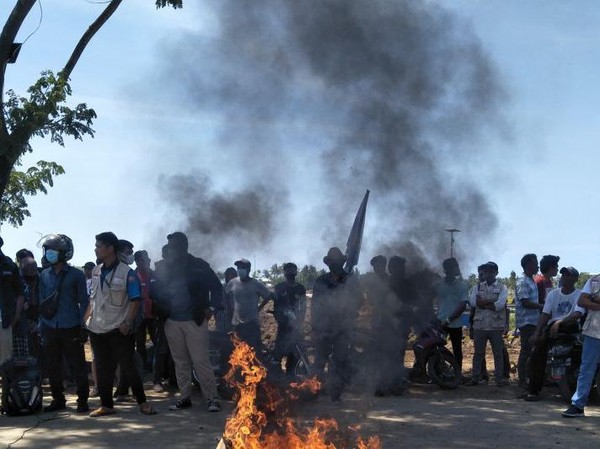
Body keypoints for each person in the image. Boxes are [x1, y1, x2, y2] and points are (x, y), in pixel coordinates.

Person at [85, 232, 156, 417]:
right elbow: (93, 299)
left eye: (99, 245)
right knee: (103, 368)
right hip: (97, 328)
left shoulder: (128, 273)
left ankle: (143, 403)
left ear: (110, 249)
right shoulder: (96, 271)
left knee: (128, 367)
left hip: (118, 329)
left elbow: (135, 300)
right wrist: (85, 321)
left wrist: (127, 323)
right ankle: (106, 405)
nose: (95, 248)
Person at [153, 232, 222, 412]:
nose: (170, 249)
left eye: (173, 246)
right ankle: (184, 398)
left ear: (183, 246)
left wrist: (212, 309)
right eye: (169, 246)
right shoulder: (164, 268)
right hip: (172, 322)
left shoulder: (199, 266)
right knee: (180, 362)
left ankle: (212, 399)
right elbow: (153, 292)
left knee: (201, 361)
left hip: (195, 321)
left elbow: (217, 288)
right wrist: (162, 311)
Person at [38, 234, 90, 413]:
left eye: (51, 251)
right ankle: (57, 399)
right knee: (53, 365)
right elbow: (41, 302)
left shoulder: (76, 275)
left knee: (78, 365)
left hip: (71, 325)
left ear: (63, 253)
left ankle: (83, 400)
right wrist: (41, 325)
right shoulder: (44, 275)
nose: (48, 254)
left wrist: (84, 325)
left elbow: (84, 301)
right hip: (50, 326)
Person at [524, 267, 583, 401]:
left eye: (568, 275)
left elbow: (577, 314)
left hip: (571, 327)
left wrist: (559, 322)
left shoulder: (579, 294)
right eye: (563, 274)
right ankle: (533, 390)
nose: (564, 277)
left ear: (575, 279)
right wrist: (537, 333)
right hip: (552, 328)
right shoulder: (553, 294)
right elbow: (545, 314)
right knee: (536, 355)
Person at [311, 247, 361, 402]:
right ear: (328, 264)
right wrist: (315, 326)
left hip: (343, 329)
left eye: (337, 262)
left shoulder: (351, 281)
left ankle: (335, 394)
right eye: (331, 262)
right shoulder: (320, 281)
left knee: (340, 362)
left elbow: (358, 301)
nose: (334, 264)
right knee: (320, 362)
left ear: (341, 262)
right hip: (323, 328)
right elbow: (315, 305)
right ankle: (314, 392)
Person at [562, 272, 600, 417]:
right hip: (593, 332)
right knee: (586, 370)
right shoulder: (594, 280)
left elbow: (587, 299)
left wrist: (594, 299)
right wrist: (593, 300)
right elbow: (582, 301)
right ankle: (577, 405)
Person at [466, 261, 508, 386]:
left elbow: (500, 305)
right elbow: (473, 303)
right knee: (478, 354)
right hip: (480, 326)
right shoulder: (477, 287)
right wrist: (491, 302)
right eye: (486, 271)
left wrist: (482, 302)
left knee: (498, 354)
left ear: (496, 272)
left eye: (491, 271)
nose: (488, 274)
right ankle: (475, 378)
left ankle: (499, 379)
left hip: (495, 326)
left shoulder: (502, 287)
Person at [225, 258, 275, 351]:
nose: (240, 269)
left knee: (254, 351)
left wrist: (259, 308)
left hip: (251, 323)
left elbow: (268, 296)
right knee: (237, 351)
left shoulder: (256, 283)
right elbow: (226, 296)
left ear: (248, 269)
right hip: (236, 324)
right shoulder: (232, 283)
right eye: (238, 267)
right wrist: (230, 309)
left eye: (242, 267)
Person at [435, 257, 468, 376]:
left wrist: (449, 319)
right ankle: (438, 372)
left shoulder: (462, 285)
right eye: (454, 267)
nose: (457, 269)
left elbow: (463, 305)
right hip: (440, 321)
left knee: (457, 349)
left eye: (456, 266)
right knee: (437, 349)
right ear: (447, 269)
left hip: (455, 323)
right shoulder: (439, 285)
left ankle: (457, 374)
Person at [273, 262, 307, 373]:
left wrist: (299, 322)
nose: (290, 273)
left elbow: (304, 307)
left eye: (292, 271)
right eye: (288, 271)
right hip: (283, 327)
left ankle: (291, 379)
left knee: (295, 355)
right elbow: (276, 307)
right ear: (284, 273)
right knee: (278, 355)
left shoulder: (301, 289)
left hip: (296, 328)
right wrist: (281, 320)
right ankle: (277, 379)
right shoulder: (279, 287)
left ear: (296, 273)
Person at [515, 253, 543, 388]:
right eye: (535, 263)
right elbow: (525, 302)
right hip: (527, 322)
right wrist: (541, 307)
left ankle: (528, 377)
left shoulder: (532, 281)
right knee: (526, 351)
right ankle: (522, 380)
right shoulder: (523, 282)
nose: (537, 266)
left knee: (531, 351)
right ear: (528, 265)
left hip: (534, 321)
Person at [0, 236, 24, 367]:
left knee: (5, 362)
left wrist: (16, 315)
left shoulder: (9, 265)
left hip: (4, 321)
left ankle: (7, 387)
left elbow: (20, 292)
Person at [134, 250, 157, 372]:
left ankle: (158, 370)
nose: (148, 262)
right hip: (139, 317)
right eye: (144, 259)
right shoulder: (132, 276)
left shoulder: (155, 275)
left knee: (157, 343)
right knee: (140, 344)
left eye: (148, 259)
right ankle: (143, 369)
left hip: (153, 316)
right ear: (137, 262)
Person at [215, 267, 237, 334]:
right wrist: (216, 316)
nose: (230, 277)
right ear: (225, 276)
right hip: (222, 321)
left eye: (233, 275)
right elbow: (215, 304)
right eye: (229, 275)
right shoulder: (220, 289)